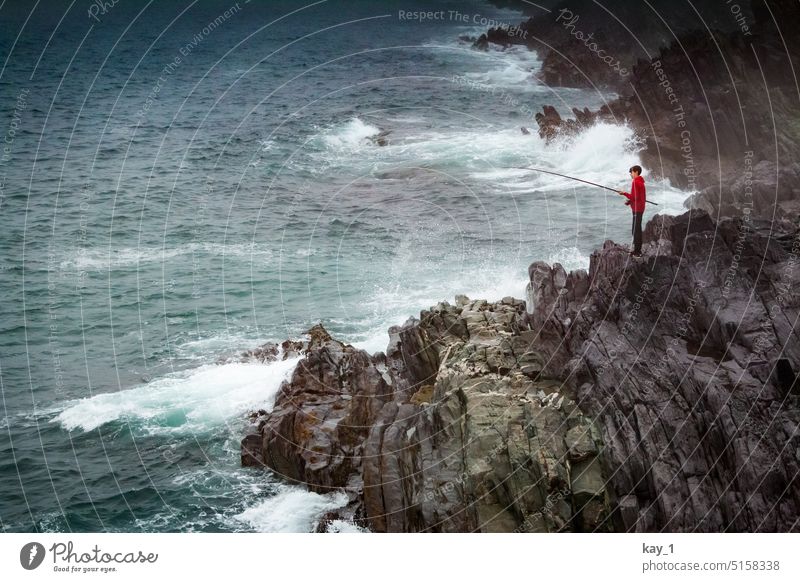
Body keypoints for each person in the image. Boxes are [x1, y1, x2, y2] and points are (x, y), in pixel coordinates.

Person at [618, 165, 646, 257]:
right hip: (640, 208)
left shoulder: (635, 182)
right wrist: (630, 202)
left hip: (637, 209)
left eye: (631, 172)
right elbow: (637, 197)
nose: (630, 174)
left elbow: (634, 197)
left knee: (635, 230)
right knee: (637, 229)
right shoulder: (641, 182)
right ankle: (637, 250)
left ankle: (637, 252)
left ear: (636, 172)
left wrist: (624, 193)